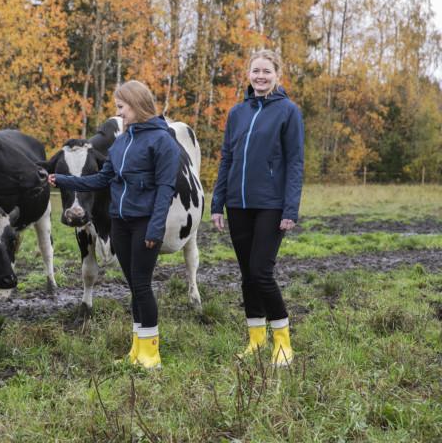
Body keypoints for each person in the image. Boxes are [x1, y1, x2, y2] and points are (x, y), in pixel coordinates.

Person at [48, 80, 180, 369]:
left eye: (121, 107)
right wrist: (64, 180)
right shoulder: (122, 142)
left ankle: (151, 353)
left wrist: (156, 229)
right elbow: (101, 179)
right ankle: (137, 349)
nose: (118, 113)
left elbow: (165, 189)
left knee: (142, 286)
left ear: (137, 104)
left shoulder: (163, 141)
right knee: (133, 286)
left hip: (146, 223)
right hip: (121, 223)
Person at [211, 49, 304, 367]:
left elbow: (295, 162)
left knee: (261, 272)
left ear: (277, 75)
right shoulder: (237, 112)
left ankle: (283, 342)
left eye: (267, 71)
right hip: (237, 204)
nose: (260, 76)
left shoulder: (288, 111)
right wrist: (217, 203)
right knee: (246, 275)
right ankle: (256, 340)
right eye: (255, 71)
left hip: (271, 205)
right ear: (248, 75)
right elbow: (227, 158)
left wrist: (290, 209)